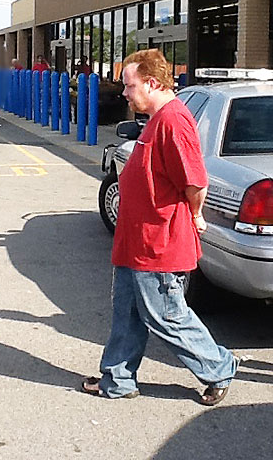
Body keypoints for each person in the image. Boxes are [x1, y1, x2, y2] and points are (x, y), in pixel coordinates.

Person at [82, 49, 238, 405]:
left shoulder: (173, 121)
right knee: (127, 314)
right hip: (135, 242)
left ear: (152, 83)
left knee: (166, 316)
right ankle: (117, 379)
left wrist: (196, 215)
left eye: (130, 84)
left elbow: (195, 182)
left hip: (159, 243)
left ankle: (219, 367)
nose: (124, 92)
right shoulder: (156, 119)